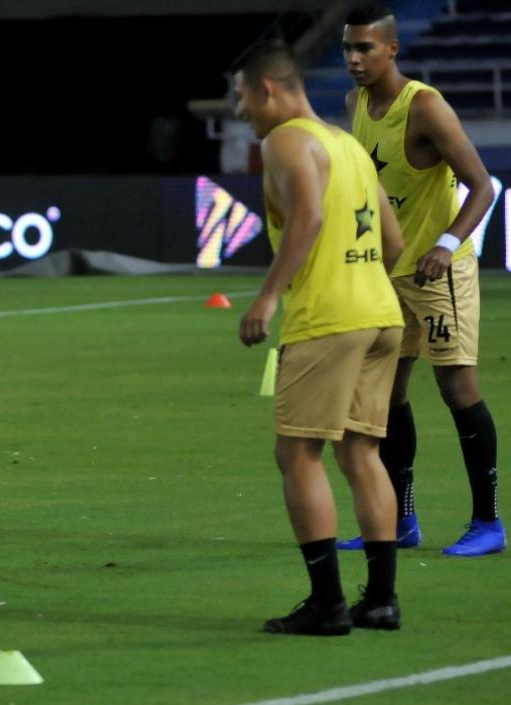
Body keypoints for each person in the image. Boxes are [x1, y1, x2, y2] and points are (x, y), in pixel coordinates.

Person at [234, 41, 406, 634]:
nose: (239, 110)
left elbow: (306, 216)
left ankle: (328, 604)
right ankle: (380, 600)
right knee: (361, 453)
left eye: (241, 96)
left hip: (329, 319)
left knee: (297, 454)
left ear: (267, 90)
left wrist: (267, 296)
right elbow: (394, 243)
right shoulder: (349, 144)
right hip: (381, 313)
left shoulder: (283, 140)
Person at [337, 3, 503, 557]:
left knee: (457, 389)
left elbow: (483, 185)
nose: (354, 59)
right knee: (387, 395)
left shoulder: (425, 106)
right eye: (347, 48)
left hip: (438, 272)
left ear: (392, 49)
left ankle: (488, 523)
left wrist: (446, 244)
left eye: (364, 48)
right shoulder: (354, 104)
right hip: (386, 273)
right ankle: (401, 521)